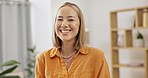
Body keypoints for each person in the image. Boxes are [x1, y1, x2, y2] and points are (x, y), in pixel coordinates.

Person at [35, 2, 110, 78]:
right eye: (60, 19)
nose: (64, 24)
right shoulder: (43, 59)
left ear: (80, 24)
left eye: (71, 19)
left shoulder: (97, 57)